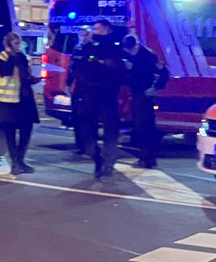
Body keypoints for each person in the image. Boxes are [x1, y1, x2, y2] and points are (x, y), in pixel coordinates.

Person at [76, 20, 127, 179]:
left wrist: (100, 62)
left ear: (106, 29)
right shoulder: (89, 46)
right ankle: (96, 158)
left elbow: (117, 68)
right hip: (90, 94)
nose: (94, 31)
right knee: (87, 130)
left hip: (108, 94)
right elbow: (80, 65)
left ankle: (108, 164)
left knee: (110, 130)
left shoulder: (115, 45)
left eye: (97, 28)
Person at [120, 35, 168, 169]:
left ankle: (148, 158)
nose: (131, 52)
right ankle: (145, 157)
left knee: (145, 128)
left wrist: (155, 88)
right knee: (139, 128)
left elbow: (164, 73)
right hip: (136, 94)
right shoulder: (130, 55)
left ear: (136, 46)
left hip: (145, 96)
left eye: (132, 50)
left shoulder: (149, 56)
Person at [0, 32, 39, 174]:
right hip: (9, 102)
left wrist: (33, 79)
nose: (18, 45)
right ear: (8, 44)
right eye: (15, 43)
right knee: (10, 134)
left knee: (26, 130)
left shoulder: (21, 57)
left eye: (19, 43)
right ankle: (15, 163)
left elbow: (24, 75)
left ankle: (21, 161)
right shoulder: (1, 58)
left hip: (25, 99)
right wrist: (10, 54)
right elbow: (6, 72)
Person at [67, 27, 93, 160]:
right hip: (76, 89)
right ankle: (80, 146)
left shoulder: (92, 49)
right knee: (77, 118)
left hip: (86, 89)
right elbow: (71, 68)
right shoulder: (77, 49)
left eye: (85, 34)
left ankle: (88, 147)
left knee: (87, 119)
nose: (82, 37)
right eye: (81, 34)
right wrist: (69, 83)